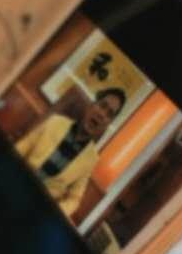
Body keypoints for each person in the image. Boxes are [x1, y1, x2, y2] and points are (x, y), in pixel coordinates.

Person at [14, 86, 127, 220]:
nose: (102, 115)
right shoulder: (55, 122)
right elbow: (20, 149)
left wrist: (50, 214)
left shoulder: (91, 159)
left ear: (108, 124)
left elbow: (74, 199)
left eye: (109, 115)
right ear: (91, 106)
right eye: (102, 106)